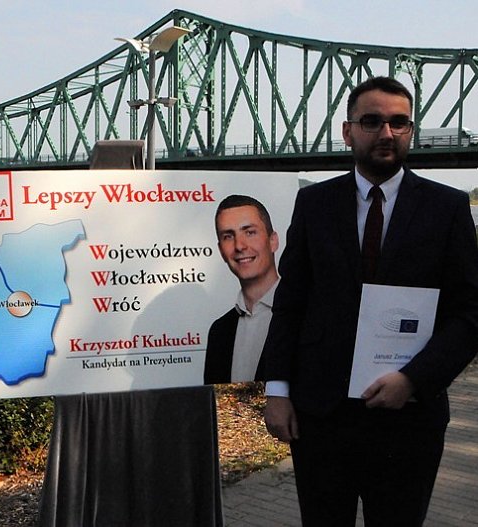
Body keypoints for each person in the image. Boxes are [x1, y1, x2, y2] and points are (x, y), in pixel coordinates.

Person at [261, 76, 478, 526]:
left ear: (411, 131)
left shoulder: (449, 207)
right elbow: (291, 301)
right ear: (348, 131)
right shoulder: (313, 203)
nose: (387, 133)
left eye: (400, 123)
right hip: (321, 414)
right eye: (372, 121)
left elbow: (470, 313)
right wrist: (277, 390)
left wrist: (414, 379)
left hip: (409, 416)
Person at [204, 195, 279, 384]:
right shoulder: (220, 332)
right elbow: (227, 404)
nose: (239, 246)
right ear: (221, 251)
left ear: (273, 241)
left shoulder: (307, 314)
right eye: (228, 236)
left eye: (250, 232)